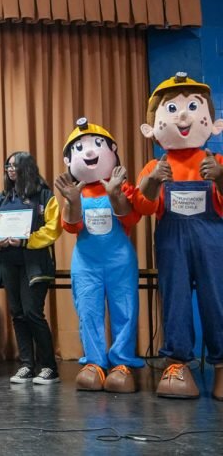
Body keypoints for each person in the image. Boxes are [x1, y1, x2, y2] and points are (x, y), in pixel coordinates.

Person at [129, 73, 223, 400]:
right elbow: (141, 206)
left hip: (213, 241)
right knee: (175, 299)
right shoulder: (155, 164)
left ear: (213, 123)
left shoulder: (217, 161)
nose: (182, 115)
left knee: (217, 298)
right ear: (152, 128)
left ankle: (222, 363)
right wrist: (153, 180)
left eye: (192, 106)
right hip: (172, 242)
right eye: (171, 109)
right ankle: (176, 362)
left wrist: (221, 179)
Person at [55, 118, 144, 393]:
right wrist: (71, 201)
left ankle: (121, 364)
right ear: (69, 160)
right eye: (80, 149)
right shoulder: (76, 191)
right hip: (87, 263)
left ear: (113, 149)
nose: (90, 153)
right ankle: (94, 362)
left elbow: (129, 218)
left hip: (120, 261)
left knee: (125, 309)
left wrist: (116, 193)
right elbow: (71, 226)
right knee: (89, 311)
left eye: (97, 145)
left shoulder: (121, 186)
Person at [0, 151, 62, 384]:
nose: (10, 169)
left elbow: (54, 228)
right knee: (17, 314)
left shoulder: (45, 196)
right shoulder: (1, 198)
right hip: (9, 261)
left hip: (36, 264)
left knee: (32, 312)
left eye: (14, 165)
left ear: (26, 168)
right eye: (7, 166)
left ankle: (49, 367)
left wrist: (27, 240)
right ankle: (27, 364)